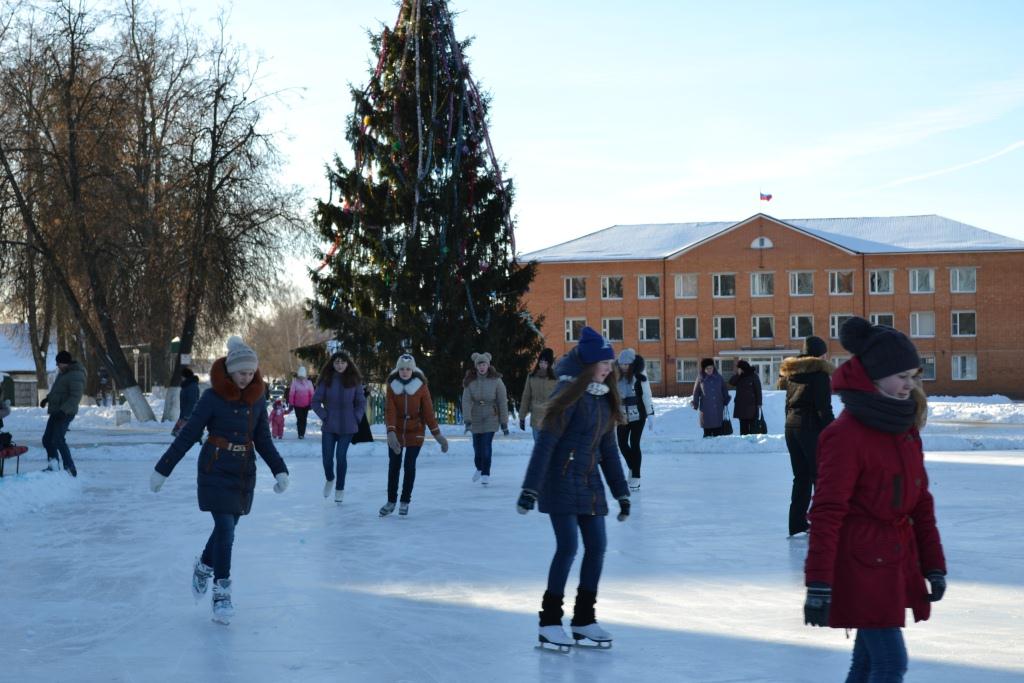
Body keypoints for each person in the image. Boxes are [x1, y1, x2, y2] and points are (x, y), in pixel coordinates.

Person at [804, 317, 946, 682]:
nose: (909, 386)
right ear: (875, 376)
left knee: (867, 663)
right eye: (901, 377)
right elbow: (827, 510)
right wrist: (819, 582)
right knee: (890, 663)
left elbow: (920, 501)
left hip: (894, 557)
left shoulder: (904, 428)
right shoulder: (846, 434)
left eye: (913, 376)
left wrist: (933, 564)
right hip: (860, 562)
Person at [149, 336, 289, 625]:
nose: (246, 378)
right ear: (229, 370)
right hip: (215, 467)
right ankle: (221, 592)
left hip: (242, 472)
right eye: (241, 373)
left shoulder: (257, 399)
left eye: (251, 373)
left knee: (228, 528)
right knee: (225, 527)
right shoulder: (211, 398)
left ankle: (204, 565)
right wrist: (163, 468)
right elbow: (188, 435)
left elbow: (262, 439)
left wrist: (279, 469)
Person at [517, 326, 630, 651]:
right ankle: (550, 622)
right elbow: (545, 446)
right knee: (568, 548)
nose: (609, 368)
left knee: (597, 547)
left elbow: (609, 450)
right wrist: (530, 490)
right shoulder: (567, 396)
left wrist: (621, 492)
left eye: (610, 363)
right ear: (589, 364)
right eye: (604, 363)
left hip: (589, 484)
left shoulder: (604, 399)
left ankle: (583, 620)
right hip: (559, 482)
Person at [777, 336, 835, 537]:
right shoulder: (819, 375)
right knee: (821, 478)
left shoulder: (793, 374)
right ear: (819, 354)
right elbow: (824, 410)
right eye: (825, 353)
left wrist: (791, 424)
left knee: (801, 478)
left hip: (791, 428)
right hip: (810, 429)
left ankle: (797, 523)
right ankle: (823, 523)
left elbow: (788, 404)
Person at [380, 354, 449, 517]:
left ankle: (405, 501)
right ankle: (391, 501)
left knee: (409, 465)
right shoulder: (392, 385)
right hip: (396, 431)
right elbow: (389, 409)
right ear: (398, 369)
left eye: (408, 369)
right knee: (394, 466)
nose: (405, 372)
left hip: (415, 431)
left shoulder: (421, 386)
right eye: (402, 369)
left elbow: (428, 412)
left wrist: (438, 435)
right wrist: (390, 431)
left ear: (413, 369)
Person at [312, 350, 366, 503]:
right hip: (330, 425)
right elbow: (315, 402)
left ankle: (340, 488)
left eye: (343, 362)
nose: (340, 365)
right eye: (337, 362)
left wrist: (356, 417)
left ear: (348, 364)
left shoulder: (354, 380)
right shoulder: (326, 380)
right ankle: (330, 478)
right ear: (332, 364)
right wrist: (325, 416)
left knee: (341, 457)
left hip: (348, 426)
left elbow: (361, 402)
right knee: (327, 459)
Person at [461, 351, 508, 486]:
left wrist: (504, 422)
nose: (482, 367)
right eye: (479, 365)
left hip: (490, 416)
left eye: (484, 364)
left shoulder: (496, 381)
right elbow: (465, 401)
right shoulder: (470, 381)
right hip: (476, 416)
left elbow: (502, 401)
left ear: (488, 365)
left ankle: (486, 473)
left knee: (486, 445)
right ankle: (479, 467)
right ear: (476, 366)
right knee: (477, 447)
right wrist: (467, 420)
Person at [40, 350, 86, 476]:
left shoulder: (76, 375)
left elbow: (75, 397)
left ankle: (70, 468)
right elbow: (57, 391)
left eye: (58, 363)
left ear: (65, 363)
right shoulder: (64, 373)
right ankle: (53, 466)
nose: (57, 365)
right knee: (47, 439)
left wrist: (63, 410)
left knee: (58, 439)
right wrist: (47, 399)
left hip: (65, 413)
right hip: (56, 411)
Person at [615, 348, 654, 491]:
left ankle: (636, 477)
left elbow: (646, 395)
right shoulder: (616, 376)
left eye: (627, 364)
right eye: (622, 364)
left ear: (632, 364)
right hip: (622, 416)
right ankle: (633, 467)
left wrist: (650, 414)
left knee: (634, 443)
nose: (624, 367)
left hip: (638, 415)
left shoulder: (639, 376)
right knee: (622, 443)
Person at [519, 347, 558, 440]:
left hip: (551, 419)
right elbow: (526, 397)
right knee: (538, 448)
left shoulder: (556, 378)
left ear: (550, 363)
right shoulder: (532, 377)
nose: (542, 365)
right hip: (536, 419)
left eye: (545, 362)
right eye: (541, 362)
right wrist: (522, 416)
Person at [691, 358, 730, 437]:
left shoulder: (719, 378)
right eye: (707, 368)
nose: (709, 370)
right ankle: (707, 447)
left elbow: (724, 389)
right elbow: (696, 392)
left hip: (718, 408)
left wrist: (726, 398)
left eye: (711, 368)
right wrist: (695, 403)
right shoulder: (700, 378)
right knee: (707, 433)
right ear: (704, 369)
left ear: (713, 367)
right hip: (706, 409)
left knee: (718, 433)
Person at [729, 360, 763, 435]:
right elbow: (731, 382)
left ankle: (753, 444)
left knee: (753, 428)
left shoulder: (753, 376)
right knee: (743, 428)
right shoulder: (739, 376)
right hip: (741, 406)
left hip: (752, 406)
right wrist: (738, 374)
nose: (737, 369)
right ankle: (744, 443)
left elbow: (758, 390)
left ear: (743, 368)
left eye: (739, 368)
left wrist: (759, 403)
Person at [172, 367, 200, 437]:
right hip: (184, 414)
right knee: (178, 433)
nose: (181, 378)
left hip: (188, 415)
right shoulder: (187, 385)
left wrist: (186, 416)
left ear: (186, 376)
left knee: (181, 434)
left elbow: (192, 402)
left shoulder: (192, 386)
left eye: (182, 376)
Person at [288, 365, 314, 439]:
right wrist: (291, 404)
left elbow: (312, 394)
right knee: (299, 419)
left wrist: (311, 403)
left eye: (303, 376)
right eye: (300, 376)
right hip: (297, 405)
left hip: (306, 405)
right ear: (298, 375)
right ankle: (300, 434)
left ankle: (302, 432)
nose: (302, 378)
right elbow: (291, 394)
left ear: (305, 375)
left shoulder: (309, 383)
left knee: (304, 419)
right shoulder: (295, 383)